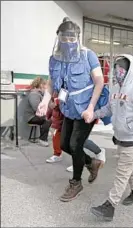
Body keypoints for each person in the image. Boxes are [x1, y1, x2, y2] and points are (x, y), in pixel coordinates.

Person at [36, 17, 109, 202]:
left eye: (71, 39)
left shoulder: (88, 55)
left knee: (76, 144)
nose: (68, 42)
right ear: (58, 38)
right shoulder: (54, 59)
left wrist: (92, 107)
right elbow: (52, 82)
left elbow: (99, 81)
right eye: (64, 38)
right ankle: (91, 163)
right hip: (68, 107)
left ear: (77, 38)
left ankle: (76, 182)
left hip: (86, 108)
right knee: (64, 145)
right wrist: (45, 101)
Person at [90, 55, 133, 221]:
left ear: (128, 71)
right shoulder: (114, 89)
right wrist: (93, 115)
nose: (117, 72)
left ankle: (110, 205)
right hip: (120, 137)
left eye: (120, 69)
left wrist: (131, 125)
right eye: (115, 69)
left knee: (122, 172)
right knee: (129, 167)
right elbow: (108, 109)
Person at [45, 97, 106, 171]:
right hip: (67, 115)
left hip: (80, 114)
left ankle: (92, 155)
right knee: (67, 142)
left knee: (77, 142)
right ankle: (80, 161)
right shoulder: (58, 88)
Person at [24, 76, 52, 146]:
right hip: (31, 117)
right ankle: (42, 139)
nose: (46, 87)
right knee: (48, 120)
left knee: (49, 118)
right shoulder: (34, 94)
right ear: (41, 85)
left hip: (35, 115)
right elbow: (37, 108)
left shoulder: (39, 94)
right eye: (45, 85)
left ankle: (45, 131)